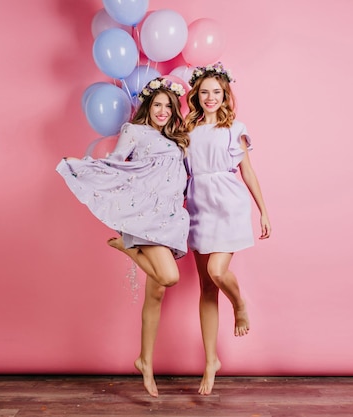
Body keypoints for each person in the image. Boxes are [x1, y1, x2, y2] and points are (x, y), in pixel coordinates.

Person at [55, 77, 190, 397]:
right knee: (169, 277)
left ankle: (145, 359)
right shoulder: (134, 131)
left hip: (171, 218)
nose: (162, 111)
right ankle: (126, 249)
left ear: (174, 111)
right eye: (157, 104)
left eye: (168, 106)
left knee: (155, 295)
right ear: (147, 106)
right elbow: (117, 164)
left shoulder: (178, 139)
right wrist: (85, 169)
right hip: (145, 216)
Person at [183, 63, 271, 395]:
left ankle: (240, 304)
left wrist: (263, 210)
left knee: (218, 272)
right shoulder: (187, 129)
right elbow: (179, 173)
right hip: (198, 206)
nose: (210, 98)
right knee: (205, 289)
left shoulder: (235, 127)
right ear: (196, 94)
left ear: (225, 95)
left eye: (216, 92)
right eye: (204, 92)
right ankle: (210, 362)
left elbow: (247, 171)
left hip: (228, 205)